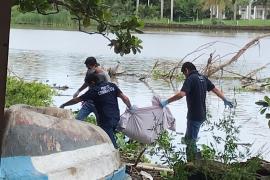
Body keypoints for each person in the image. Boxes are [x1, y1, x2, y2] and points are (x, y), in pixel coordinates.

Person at [160, 62, 233, 162]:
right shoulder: (203, 78)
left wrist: (166, 102)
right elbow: (215, 89)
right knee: (188, 139)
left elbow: (181, 94)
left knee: (191, 141)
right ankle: (193, 162)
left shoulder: (190, 79)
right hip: (201, 114)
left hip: (194, 115)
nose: (185, 76)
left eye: (184, 74)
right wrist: (225, 99)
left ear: (186, 70)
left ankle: (194, 164)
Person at [60, 73, 132, 148]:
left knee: (111, 144)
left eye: (88, 85)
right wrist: (130, 107)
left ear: (92, 82)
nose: (89, 87)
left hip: (105, 120)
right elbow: (125, 98)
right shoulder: (112, 85)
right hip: (116, 117)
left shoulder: (94, 90)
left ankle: (116, 153)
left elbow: (77, 100)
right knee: (109, 135)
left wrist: (64, 104)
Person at [73, 57, 111, 122]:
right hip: (89, 102)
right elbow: (87, 83)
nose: (88, 69)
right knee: (78, 120)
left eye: (89, 67)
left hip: (100, 104)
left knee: (101, 123)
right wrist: (78, 91)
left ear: (95, 65)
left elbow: (109, 89)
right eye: (87, 67)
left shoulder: (104, 75)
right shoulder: (89, 72)